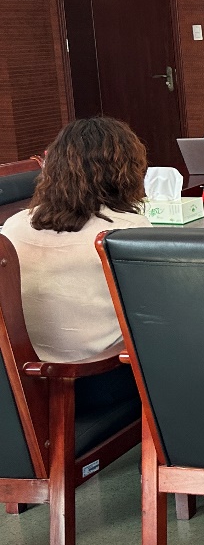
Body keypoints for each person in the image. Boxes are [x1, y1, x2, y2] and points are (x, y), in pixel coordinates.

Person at [1, 117, 150, 365]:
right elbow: (153, 309)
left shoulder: (13, 226)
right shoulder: (127, 231)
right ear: (127, 172)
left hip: (26, 373)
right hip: (99, 372)